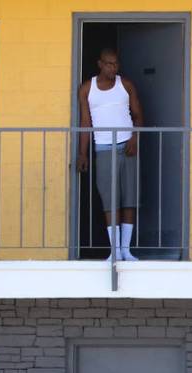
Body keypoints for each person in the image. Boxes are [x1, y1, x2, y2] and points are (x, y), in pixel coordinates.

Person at [77, 48, 144, 262]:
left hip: (127, 146)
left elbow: (139, 116)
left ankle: (126, 250)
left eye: (115, 64)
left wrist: (134, 139)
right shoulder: (87, 88)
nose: (112, 68)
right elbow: (85, 123)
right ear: (99, 63)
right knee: (109, 199)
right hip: (103, 147)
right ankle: (114, 250)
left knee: (129, 197)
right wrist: (82, 154)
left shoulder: (126, 85)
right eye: (108, 64)